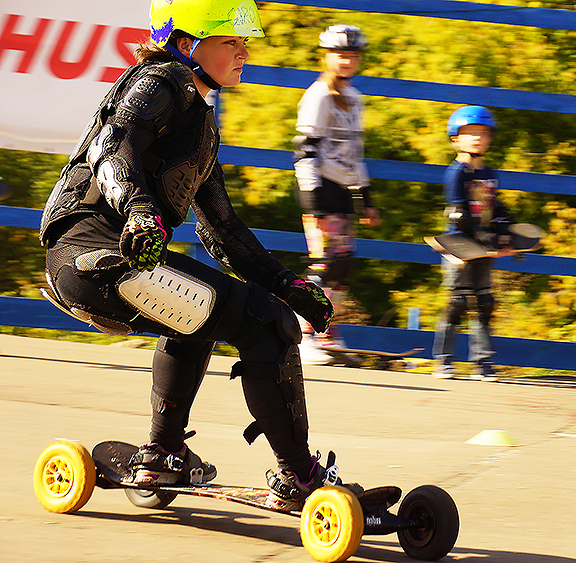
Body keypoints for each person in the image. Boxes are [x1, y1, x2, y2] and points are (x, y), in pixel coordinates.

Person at [38, 0, 350, 511]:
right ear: (186, 45)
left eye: (242, 41)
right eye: (229, 41)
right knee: (265, 325)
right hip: (94, 256)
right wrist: (139, 209)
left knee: (211, 314)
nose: (243, 51)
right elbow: (112, 147)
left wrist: (287, 285)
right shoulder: (157, 82)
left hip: (117, 262)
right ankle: (301, 476)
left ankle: (161, 454)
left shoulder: (201, 123)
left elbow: (223, 230)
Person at [293, 24, 379, 366]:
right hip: (321, 189)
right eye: (340, 55)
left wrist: (366, 197)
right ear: (327, 57)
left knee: (343, 267)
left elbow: (353, 154)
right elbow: (306, 150)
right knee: (324, 264)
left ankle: (328, 333)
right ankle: (304, 335)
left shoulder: (354, 98)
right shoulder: (318, 96)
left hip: (344, 191)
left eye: (352, 55)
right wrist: (311, 196)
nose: (346, 61)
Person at [431, 106, 513, 381]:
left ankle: (483, 363)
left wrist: (503, 227)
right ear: (455, 139)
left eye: (482, 133)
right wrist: (484, 235)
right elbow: (460, 213)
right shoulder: (457, 173)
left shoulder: (490, 173)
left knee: (484, 302)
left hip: (484, 245)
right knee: (457, 302)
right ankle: (443, 361)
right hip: (460, 246)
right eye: (469, 133)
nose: (477, 138)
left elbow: (495, 204)